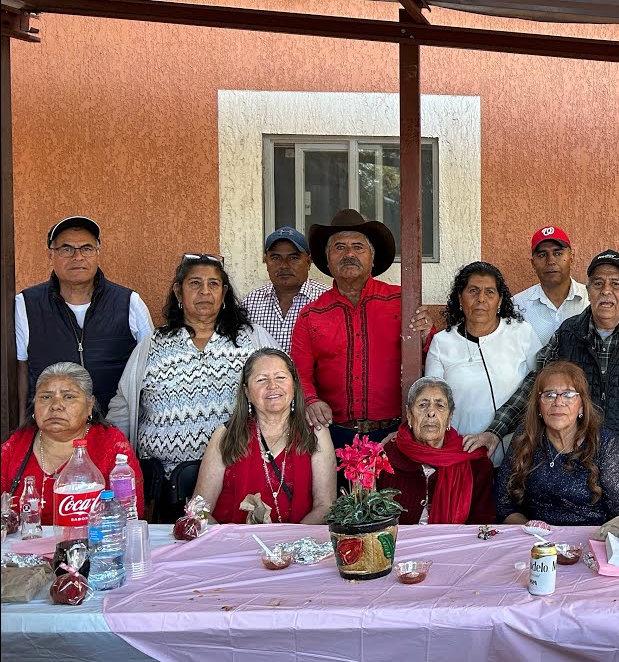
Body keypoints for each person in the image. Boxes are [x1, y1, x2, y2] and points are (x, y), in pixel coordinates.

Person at [464, 250, 619, 506]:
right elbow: (534, 386)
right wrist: (495, 432)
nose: (606, 291)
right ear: (588, 291)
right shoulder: (568, 333)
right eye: (598, 283)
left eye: (615, 284)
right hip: (576, 472)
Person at [108, 254, 276, 474]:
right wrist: (115, 460)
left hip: (241, 475)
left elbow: (285, 392)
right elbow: (123, 407)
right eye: (195, 283)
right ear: (179, 291)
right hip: (168, 482)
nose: (205, 291)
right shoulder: (153, 344)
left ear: (223, 293)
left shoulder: (254, 339)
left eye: (213, 284)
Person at [291, 209, 426, 448]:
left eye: (358, 246)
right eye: (340, 247)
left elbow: (432, 356)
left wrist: (426, 334)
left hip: (395, 434)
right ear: (328, 260)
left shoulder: (402, 301)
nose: (349, 254)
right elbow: (300, 373)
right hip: (334, 436)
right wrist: (310, 400)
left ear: (372, 260)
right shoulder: (310, 315)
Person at [16, 216, 152, 416]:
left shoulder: (129, 302)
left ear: (98, 253)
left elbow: (151, 369)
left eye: (86, 248)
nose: (77, 257)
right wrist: (22, 429)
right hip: (51, 431)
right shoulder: (26, 304)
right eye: (66, 249)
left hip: (113, 428)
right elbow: (21, 370)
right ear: (50, 255)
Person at [194, 349, 336, 524]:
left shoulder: (315, 433)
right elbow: (199, 509)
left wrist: (290, 546)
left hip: (298, 545)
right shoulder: (225, 435)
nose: (272, 386)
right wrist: (228, 542)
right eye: (261, 380)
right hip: (235, 546)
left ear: (294, 384)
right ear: (246, 391)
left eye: (281, 377)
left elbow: (325, 505)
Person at [494, 361, 619, 526]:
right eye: (549, 395)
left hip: (591, 541)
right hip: (537, 542)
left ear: (582, 407)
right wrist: (529, 529)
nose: (558, 402)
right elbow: (504, 504)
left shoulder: (604, 443)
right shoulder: (525, 438)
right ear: (539, 407)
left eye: (569, 394)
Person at [2, 363, 145, 524]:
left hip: (93, 544)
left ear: (89, 405)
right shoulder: (17, 444)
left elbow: (130, 514)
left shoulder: (111, 444)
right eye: (46, 397)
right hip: (22, 545)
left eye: (68, 396)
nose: (55, 405)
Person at [425, 262, 541, 459]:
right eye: (473, 291)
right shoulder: (442, 342)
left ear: (500, 300)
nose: (481, 299)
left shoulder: (521, 332)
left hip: (517, 452)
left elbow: (540, 382)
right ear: (460, 299)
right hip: (464, 453)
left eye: (489, 292)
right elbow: (433, 401)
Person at [379, 377, 496, 525]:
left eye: (440, 406)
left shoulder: (475, 462)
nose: (431, 413)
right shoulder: (386, 456)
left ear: (450, 417)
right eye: (422, 405)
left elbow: (483, 522)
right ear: (409, 414)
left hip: (457, 546)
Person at [241, 227, 327, 353]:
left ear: (308, 262)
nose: (284, 265)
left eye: (293, 258)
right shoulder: (250, 302)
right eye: (275, 258)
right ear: (266, 261)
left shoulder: (326, 299)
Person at [511, 226, 589, 346]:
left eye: (558, 253)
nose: (550, 261)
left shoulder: (591, 300)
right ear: (533, 263)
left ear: (571, 258)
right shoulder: (517, 305)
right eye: (542, 255)